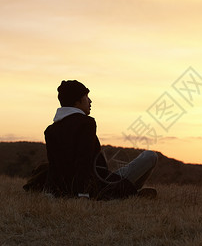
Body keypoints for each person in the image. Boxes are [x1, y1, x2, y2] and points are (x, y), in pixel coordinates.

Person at [24, 80, 157, 200]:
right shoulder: (86, 123)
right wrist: (83, 194)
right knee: (150, 156)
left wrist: (50, 193)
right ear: (77, 101)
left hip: (79, 185)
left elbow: (54, 167)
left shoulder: (50, 130)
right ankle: (131, 192)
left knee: (121, 175)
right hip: (101, 184)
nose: (90, 101)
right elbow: (84, 160)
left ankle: (131, 192)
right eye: (86, 97)